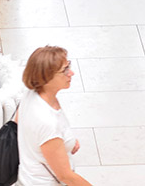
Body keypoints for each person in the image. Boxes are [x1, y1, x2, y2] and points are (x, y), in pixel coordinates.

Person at [17, 46, 93, 186]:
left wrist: (66, 143)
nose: (71, 73)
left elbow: (25, 127)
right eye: (65, 70)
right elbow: (66, 176)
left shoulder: (30, 93)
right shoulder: (47, 123)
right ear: (46, 77)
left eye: (69, 66)